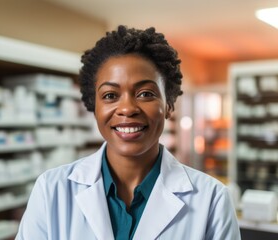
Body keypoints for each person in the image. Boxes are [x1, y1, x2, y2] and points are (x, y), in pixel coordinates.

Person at [15, 25, 241, 240]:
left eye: (145, 93)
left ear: (169, 105)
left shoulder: (212, 199)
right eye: (110, 95)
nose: (127, 109)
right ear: (94, 107)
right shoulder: (52, 189)